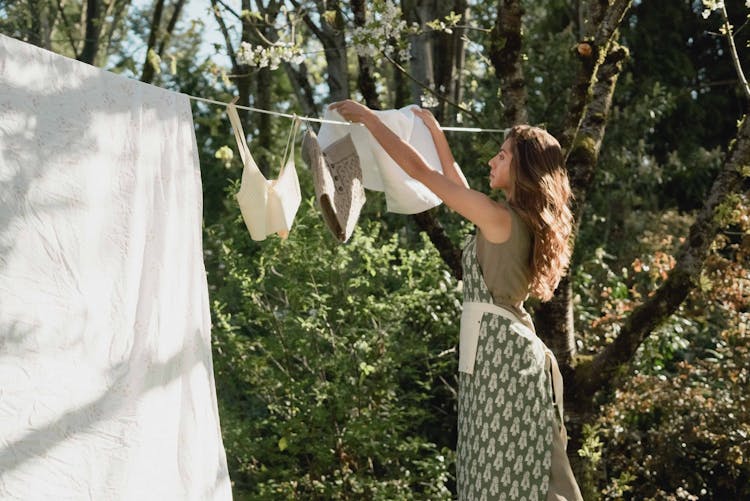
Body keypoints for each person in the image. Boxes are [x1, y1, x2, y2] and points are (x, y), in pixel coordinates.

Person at [329, 99, 583, 501]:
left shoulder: (501, 218)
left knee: (498, 474)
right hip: (498, 351)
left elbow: (422, 173)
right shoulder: (509, 218)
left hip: (501, 356)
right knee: (498, 468)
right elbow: (456, 186)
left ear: (521, 168)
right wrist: (435, 134)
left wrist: (370, 120)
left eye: (501, 155)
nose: (492, 160)